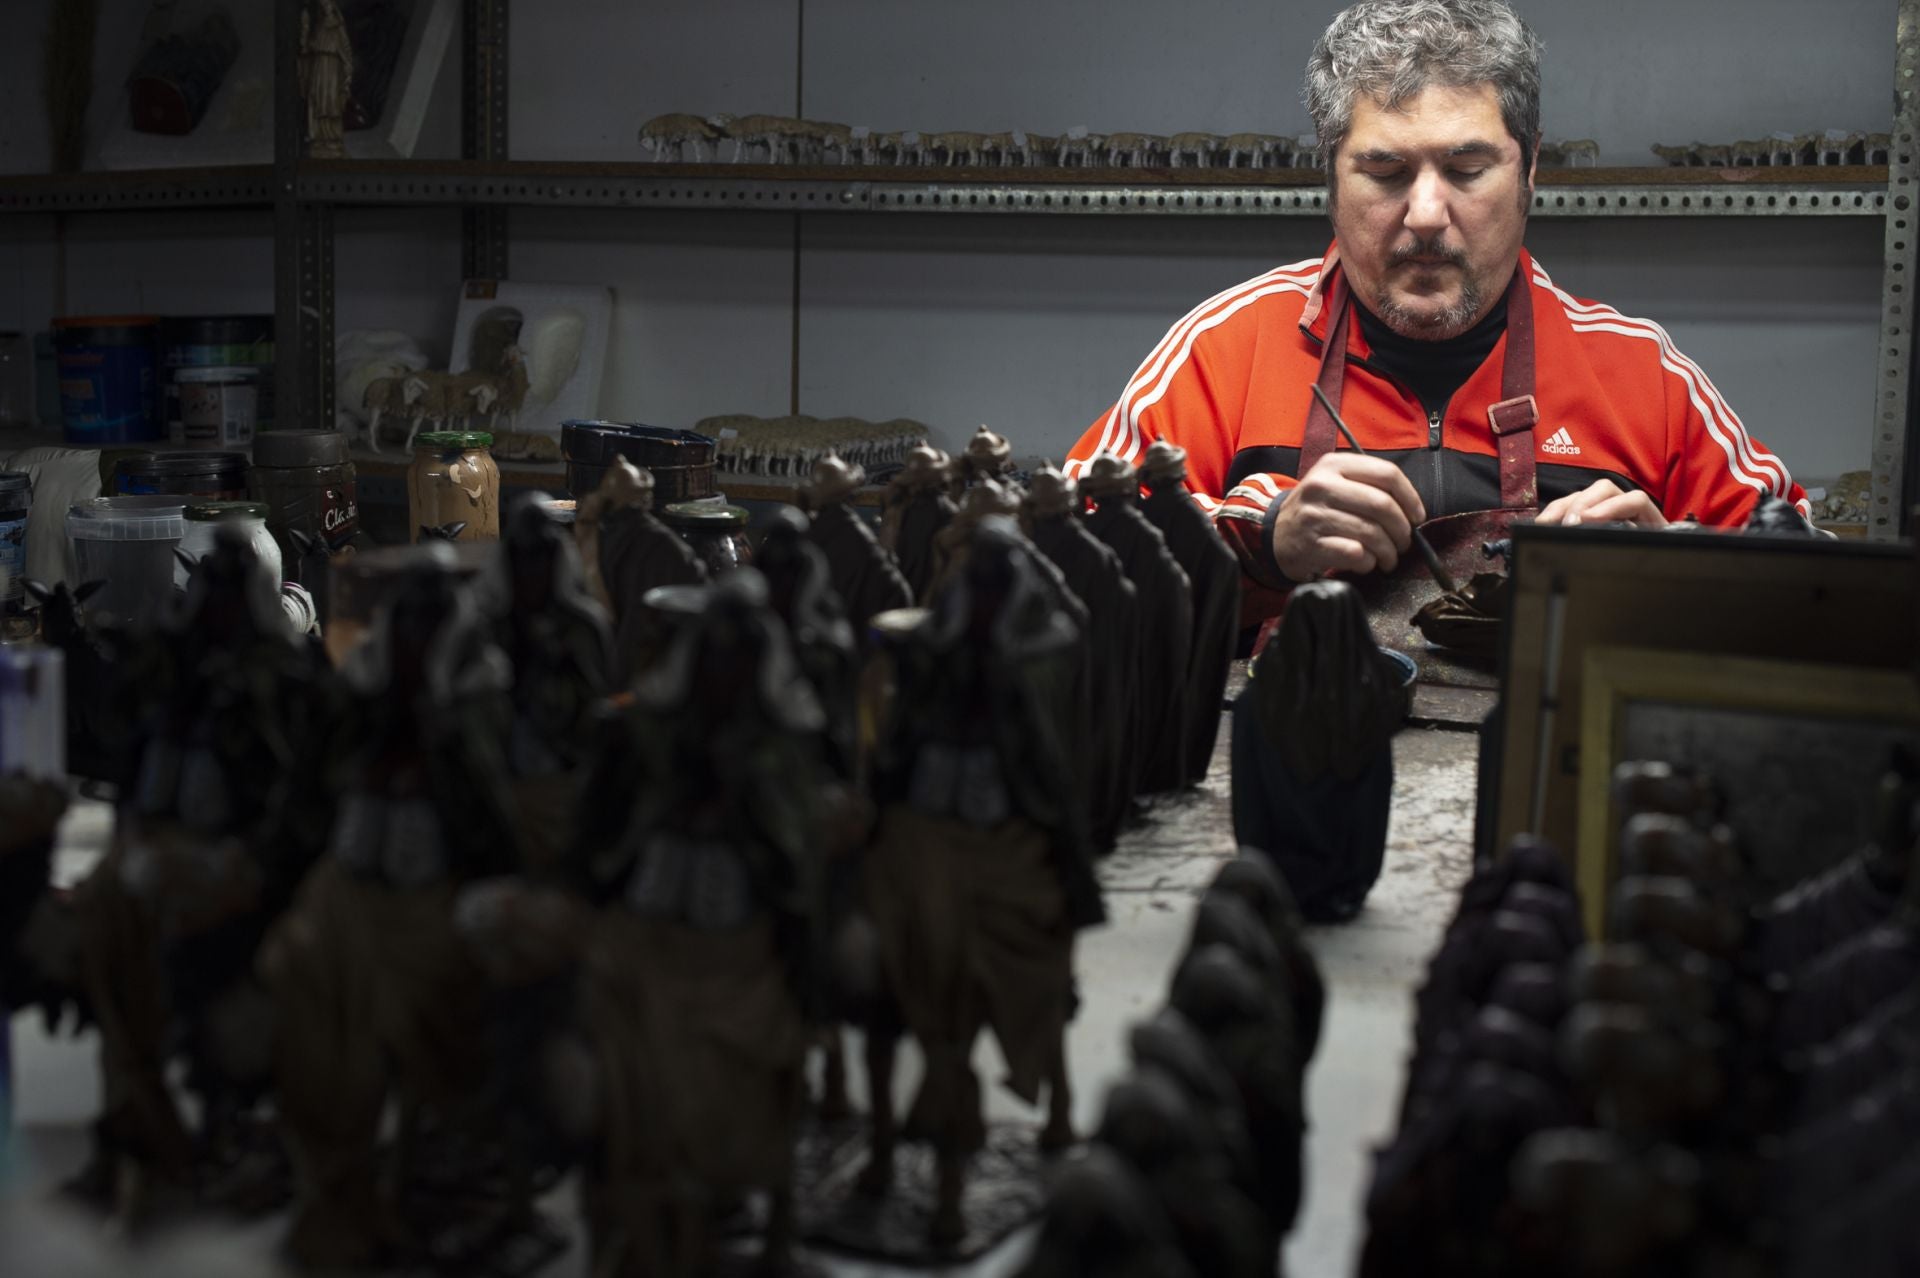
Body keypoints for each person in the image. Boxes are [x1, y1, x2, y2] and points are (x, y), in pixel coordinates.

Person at [1064, 0, 1808, 624]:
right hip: (1291, 768)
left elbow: (1814, 586)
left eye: (1466, 170)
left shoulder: (1645, 375)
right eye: (1385, 171)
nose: (1425, 213)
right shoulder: (1223, 350)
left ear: (1532, 169)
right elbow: (1064, 555)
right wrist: (1260, 534)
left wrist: (1672, 567)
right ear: (1329, 170)